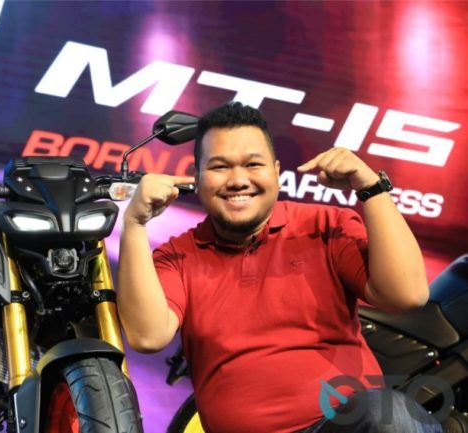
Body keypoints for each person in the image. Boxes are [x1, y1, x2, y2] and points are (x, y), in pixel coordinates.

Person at [117, 102, 442, 432]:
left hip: (343, 425)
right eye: (220, 167)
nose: (238, 180)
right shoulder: (178, 255)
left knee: (389, 414)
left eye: (253, 164)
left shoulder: (326, 226)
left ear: (276, 171)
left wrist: (371, 188)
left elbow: (408, 295)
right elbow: (147, 337)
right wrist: (134, 223)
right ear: (196, 177)